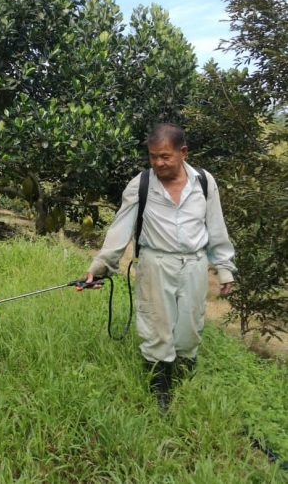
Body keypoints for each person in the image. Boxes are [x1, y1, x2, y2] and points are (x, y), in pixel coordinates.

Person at [83, 123, 236, 411]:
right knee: (157, 324)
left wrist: (224, 267)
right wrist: (100, 266)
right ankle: (159, 388)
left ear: (183, 152)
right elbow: (120, 230)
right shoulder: (141, 184)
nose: (158, 163)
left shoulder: (204, 182)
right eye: (153, 156)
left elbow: (216, 227)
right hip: (155, 262)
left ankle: (185, 373)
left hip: (194, 263)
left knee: (190, 325)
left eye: (165, 156)